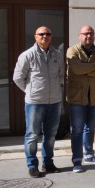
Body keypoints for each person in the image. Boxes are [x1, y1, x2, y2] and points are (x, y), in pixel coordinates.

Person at [13, 26, 65, 178]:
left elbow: (61, 75)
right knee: (32, 135)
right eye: (41, 34)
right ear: (35, 37)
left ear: (51, 36)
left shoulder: (57, 54)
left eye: (48, 34)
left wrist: (57, 88)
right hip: (34, 102)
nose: (45, 36)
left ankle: (48, 163)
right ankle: (32, 166)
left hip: (54, 101)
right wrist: (30, 91)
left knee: (50, 135)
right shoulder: (27, 55)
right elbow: (18, 78)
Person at [66, 25, 95, 173]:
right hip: (77, 98)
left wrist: (86, 70)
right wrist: (94, 66)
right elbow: (76, 69)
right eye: (85, 34)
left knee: (90, 128)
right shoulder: (72, 50)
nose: (88, 36)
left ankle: (89, 155)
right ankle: (77, 161)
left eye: (91, 33)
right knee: (77, 130)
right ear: (79, 35)